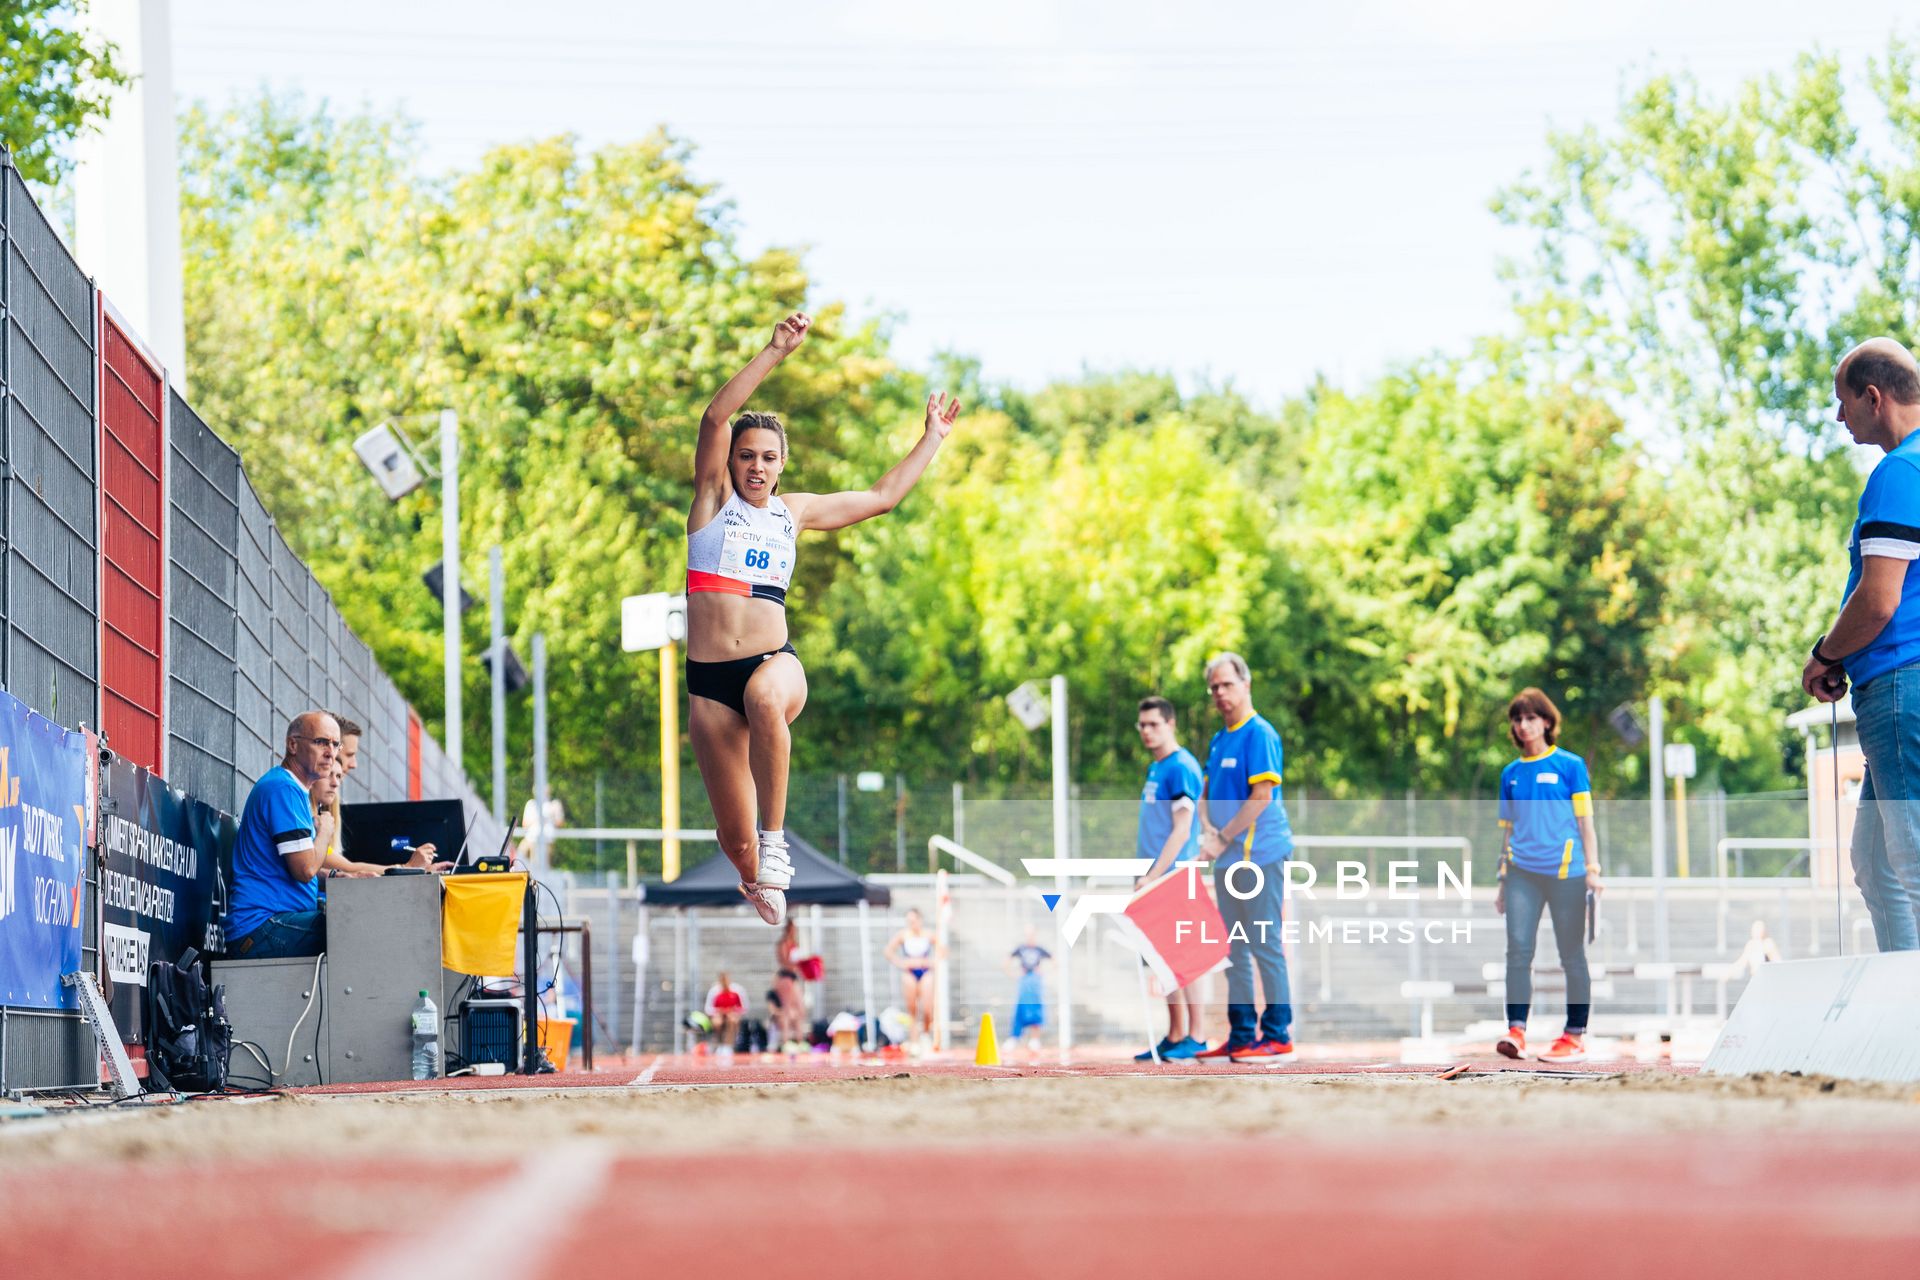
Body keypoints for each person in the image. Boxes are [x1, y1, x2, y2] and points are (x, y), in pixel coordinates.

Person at [686, 312, 962, 926]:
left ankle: (777, 840)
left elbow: (883, 497)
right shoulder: (711, 502)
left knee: (763, 698)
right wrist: (775, 351)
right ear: (730, 463)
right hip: (708, 686)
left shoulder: (795, 513)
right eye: (746, 456)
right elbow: (713, 417)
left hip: (772, 665)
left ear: (783, 465)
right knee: (736, 844)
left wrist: (933, 438)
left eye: (768, 458)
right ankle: (755, 866)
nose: (756, 467)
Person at [1804, 337, 1920, 952]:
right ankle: (1904, 1014)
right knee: (1876, 863)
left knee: (1911, 863)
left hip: (1902, 682)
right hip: (1899, 685)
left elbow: (1878, 601)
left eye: (1843, 402)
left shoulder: (1900, 472)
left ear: (1873, 398)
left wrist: (1825, 654)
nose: (1839, 417)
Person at [1192, 653, 1296, 1063]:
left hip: (1260, 855)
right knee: (1232, 948)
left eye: (1227, 684)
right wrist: (1208, 831)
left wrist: (1222, 838)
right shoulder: (1220, 739)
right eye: (1214, 687)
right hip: (1227, 860)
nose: (1220, 693)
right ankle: (1240, 1035)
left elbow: (1262, 797)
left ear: (1246, 684)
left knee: (1265, 944)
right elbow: (1205, 793)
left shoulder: (1260, 734)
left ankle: (1278, 1036)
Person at [1494, 687, 1604, 1063]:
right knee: (1517, 953)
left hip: (1567, 874)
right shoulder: (1509, 774)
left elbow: (1585, 823)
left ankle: (1574, 1035)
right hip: (1521, 873)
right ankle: (1516, 1031)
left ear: (1546, 721)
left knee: (1571, 955)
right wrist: (1502, 880)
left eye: (1530, 718)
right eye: (1517, 719)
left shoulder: (1570, 766)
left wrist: (1593, 869)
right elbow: (1507, 831)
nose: (1523, 726)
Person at [223, 712, 336, 958]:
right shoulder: (283, 788)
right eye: (321, 742)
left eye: (335, 744)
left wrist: (342, 877)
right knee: (349, 927)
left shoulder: (292, 789)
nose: (330, 752)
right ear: (293, 744)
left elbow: (299, 865)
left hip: (273, 923)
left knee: (350, 921)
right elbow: (304, 869)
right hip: (260, 927)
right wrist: (325, 832)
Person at [1132, 695, 1208, 1062]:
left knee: (1185, 955)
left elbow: (1181, 829)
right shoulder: (1156, 768)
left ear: (1170, 724)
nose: (1147, 731)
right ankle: (1176, 1033)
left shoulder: (1181, 767)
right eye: (1142, 725)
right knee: (1163, 959)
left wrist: (1153, 876)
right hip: (1155, 878)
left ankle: (1197, 1035)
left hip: (1173, 877)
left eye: (1154, 725)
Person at [885, 908, 939, 1044]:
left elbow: (943, 951)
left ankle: (926, 1034)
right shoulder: (903, 935)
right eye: (909, 921)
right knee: (912, 1009)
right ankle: (914, 1041)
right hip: (909, 972)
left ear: (920, 920)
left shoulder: (928, 934)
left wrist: (931, 962)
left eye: (913, 921)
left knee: (927, 1008)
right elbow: (888, 951)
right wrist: (901, 963)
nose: (911, 924)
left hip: (925, 972)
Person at [1007, 927, 1051, 1055]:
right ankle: (1015, 1037)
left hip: (1035, 982)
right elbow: (1007, 961)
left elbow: (1054, 961)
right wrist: (1014, 974)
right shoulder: (1021, 949)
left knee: (1036, 1009)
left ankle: (1035, 1039)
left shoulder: (1039, 949)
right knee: (1021, 1007)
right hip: (1024, 981)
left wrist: (1043, 972)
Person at [770, 919, 809, 1049]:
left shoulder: (794, 943)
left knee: (800, 1010)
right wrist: (797, 964)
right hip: (785, 977)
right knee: (787, 1010)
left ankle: (799, 1040)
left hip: (794, 977)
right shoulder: (783, 943)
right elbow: (784, 962)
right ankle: (786, 1042)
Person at [705, 972, 745, 1054]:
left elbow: (742, 1007)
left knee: (732, 1020)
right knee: (717, 1022)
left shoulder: (736, 990)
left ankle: (728, 1045)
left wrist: (732, 1011)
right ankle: (720, 1043)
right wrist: (719, 1011)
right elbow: (708, 1008)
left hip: (731, 1014)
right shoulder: (715, 991)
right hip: (719, 1014)